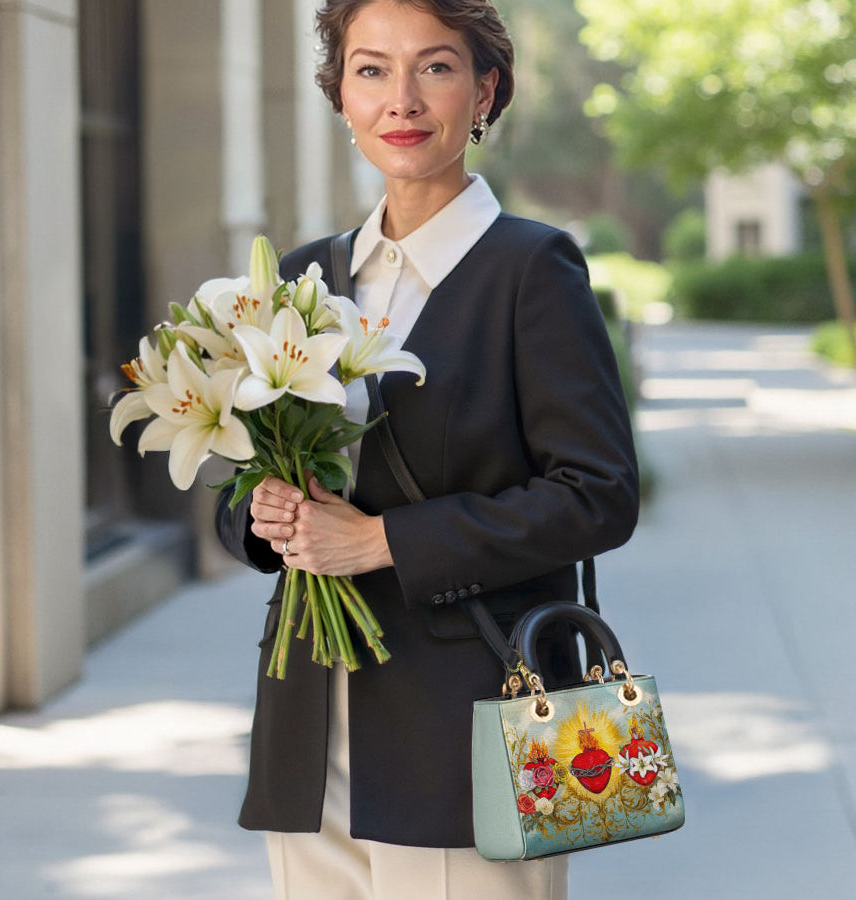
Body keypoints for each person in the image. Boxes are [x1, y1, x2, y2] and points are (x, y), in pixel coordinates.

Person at [215, 1, 639, 897]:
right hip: (307, 726)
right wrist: (264, 516)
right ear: (340, 97)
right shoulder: (302, 277)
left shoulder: (532, 269)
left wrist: (382, 543)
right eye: (371, 70)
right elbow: (243, 477)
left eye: (434, 67)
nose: (401, 98)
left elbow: (598, 494)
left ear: (485, 90)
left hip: (469, 727)